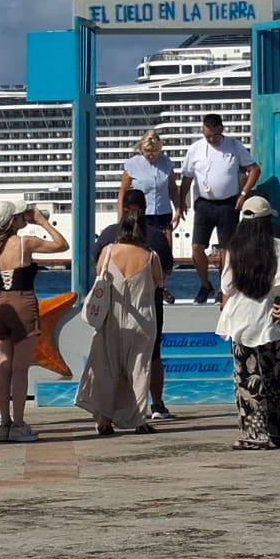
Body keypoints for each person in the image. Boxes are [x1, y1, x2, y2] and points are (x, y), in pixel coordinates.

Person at [216, 198, 280, 450]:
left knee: (248, 381)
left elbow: (226, 286)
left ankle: (254, 435)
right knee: (278, 379)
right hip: (272, 321)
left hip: (243, 323)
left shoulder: (235, 248)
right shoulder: (278, 246)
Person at [76, 209, 164, 434]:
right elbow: (158, 282)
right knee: (140, 369)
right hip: (143, 321)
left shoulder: (107, 251)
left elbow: (99, 276)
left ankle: (104, 421)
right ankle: (139, 420)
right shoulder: (150, 255)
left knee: (106, 369)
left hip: (111, 320)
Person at [91, 188, 176, 420]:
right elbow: (163, 275)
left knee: (109, 364)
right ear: (144, 208)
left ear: (123, 208)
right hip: (147, 312)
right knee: (148, 361)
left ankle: (104, 415)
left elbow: (97, 271)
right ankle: (154, 407)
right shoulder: (155, 241)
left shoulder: (108, 237)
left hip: (112, 313)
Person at [0, 199, 67, 443]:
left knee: (3, 366)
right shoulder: (24, 243)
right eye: (21, 216)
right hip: (23, 303)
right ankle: (19, 423)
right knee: (20, 370)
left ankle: (4, 423)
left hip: (1, 305)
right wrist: (42, 221)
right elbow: (61, 245)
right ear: (14, 221)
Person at [177, 113, 260, 304]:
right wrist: (181, 202)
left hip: (229, 203)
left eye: (214, 135)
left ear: (221, 129)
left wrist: (244, 193)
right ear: (203, 131)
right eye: (208, 136)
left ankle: (224, 289)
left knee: (226, 250)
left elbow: (254, 169)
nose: (211, 140)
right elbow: (187, 178)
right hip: (204, 203)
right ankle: (205, 284)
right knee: (197, 247)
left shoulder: (234, 145)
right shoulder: (196, 149)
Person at [117, 129, 181, 246]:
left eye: (155, 151)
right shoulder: (132, 164)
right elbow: (123, 192)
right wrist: (121, 216)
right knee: (142, 247)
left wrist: (178, 209)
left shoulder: (166, 162)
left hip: (163, 213)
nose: (151, 154)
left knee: (165, 249)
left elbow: (173, 188)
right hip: (139, 214)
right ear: (141, 148)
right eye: (148, 151)